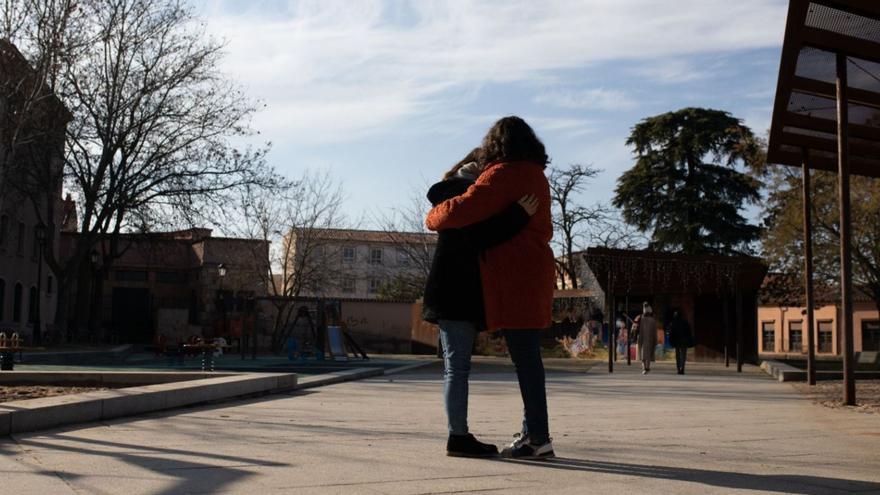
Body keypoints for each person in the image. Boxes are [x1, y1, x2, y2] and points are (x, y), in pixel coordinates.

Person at [426, 116, 556, 460]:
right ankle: (534, 433)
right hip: (538, 271)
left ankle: (537, 437)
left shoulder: (502, 174)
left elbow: (452, 214)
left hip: (514, 277)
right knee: (529, 359)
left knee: (524, 360)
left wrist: (433, 216)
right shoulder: (537, 176)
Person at [668, 310, 694, 375]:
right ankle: (682, 368)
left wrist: (671, 341)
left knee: (678, 355)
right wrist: (689, 340)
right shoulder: (685, 322)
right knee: (683, 355)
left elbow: (671, 333)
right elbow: (689, 332)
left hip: (676, 341)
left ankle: (678, 369)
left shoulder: (673, 323)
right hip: (684, 341)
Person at [635, 302, 657, 374]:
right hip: (649, 339)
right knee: (648, 354)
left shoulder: (641, 318)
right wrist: (655, 340)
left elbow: (636, 327)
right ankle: (647, 367)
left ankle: (645, 367)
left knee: (643, 353)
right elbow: (654, 331)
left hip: (642, 338)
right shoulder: (652, 320)